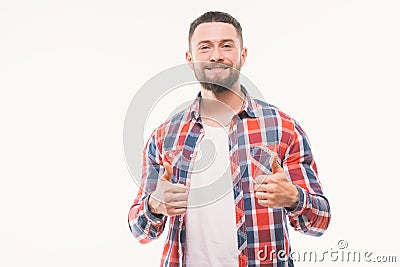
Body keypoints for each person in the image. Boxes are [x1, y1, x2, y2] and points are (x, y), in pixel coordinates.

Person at [128, 11, 331, 267]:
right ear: (189, 59)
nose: (216, 55)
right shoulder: (164, 137)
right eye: (205, 47)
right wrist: (155, 205)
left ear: (242, 55)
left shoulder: (283, 129)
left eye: (226, 45)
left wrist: (293, 199)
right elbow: (139, 231)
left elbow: (320, 223)